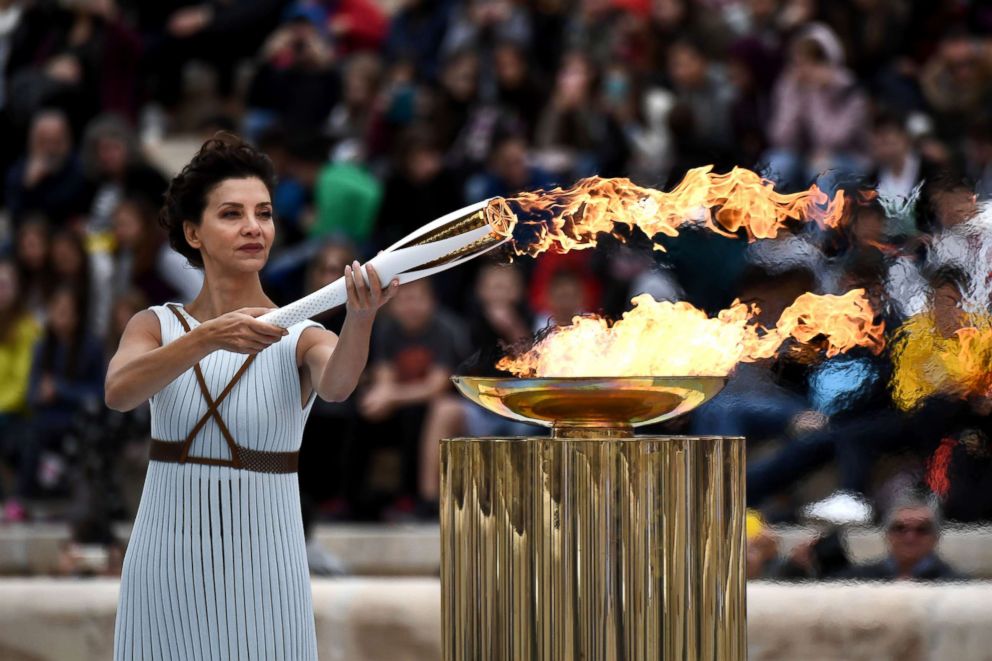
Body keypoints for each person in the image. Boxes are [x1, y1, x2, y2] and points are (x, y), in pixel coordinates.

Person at [105, 135, 397, 659]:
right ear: (193, 232)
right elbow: (120, 392)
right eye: (232, 214)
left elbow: (337, 384)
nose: (253, 227)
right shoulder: (156, 325)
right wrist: (208, 336)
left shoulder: (302, 332)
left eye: (264, 213)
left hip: (268, 565)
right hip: (164, 561)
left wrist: (360, 316)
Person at [839, 496, 964, 581]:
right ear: (887, 535)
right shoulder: (858, 580)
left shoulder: (956, 585)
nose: (910, 537)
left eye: (922, 529)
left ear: (935, 537)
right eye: (900, 528)